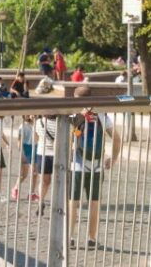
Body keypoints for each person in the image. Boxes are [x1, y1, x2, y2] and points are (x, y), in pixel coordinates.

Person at [68, 86, 121, 250]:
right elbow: (117, 138)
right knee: (94, 204)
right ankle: (91, 239)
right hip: (97, 167)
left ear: (76, 98)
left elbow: (68, 138)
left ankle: (69, 237)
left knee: (73, 203)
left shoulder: (74, 116)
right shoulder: (102, 116)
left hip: (77, 165)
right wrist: (112, 159)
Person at [33, 113, 58, 215]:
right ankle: (59, 204)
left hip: (42, 153)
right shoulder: (61, 123)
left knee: (44, 181)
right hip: (57, 154)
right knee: (60, 181)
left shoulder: (39, 122)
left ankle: (41, 201)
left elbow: (36, 138)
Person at [10, 115, 39, 202]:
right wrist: (21, 152)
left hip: (35, 147)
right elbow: (19, 141)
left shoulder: (36, 124)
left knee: (35, 172)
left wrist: (35, 125)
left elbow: (37, 138)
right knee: (24, 174)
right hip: (25, 149)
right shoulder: (22, 126)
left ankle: (32, 193)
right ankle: (15, 188)